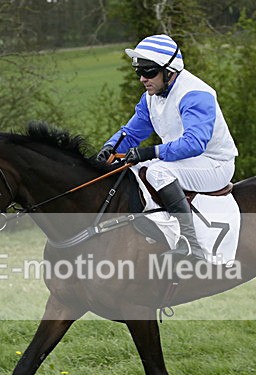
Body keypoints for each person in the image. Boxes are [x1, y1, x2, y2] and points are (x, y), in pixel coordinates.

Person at [96, 34, 238, 260]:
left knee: (156, 171)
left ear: (169, 70)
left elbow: (194, 143)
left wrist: (150, 152)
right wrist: (111, 147)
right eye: (139, 71)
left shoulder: (196, 95)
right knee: (127, 169)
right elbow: (131, 133)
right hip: (182, 161)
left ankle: (191, 244)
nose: (142, 78)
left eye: (149, 71)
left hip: (214, 164)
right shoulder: (150, 96)